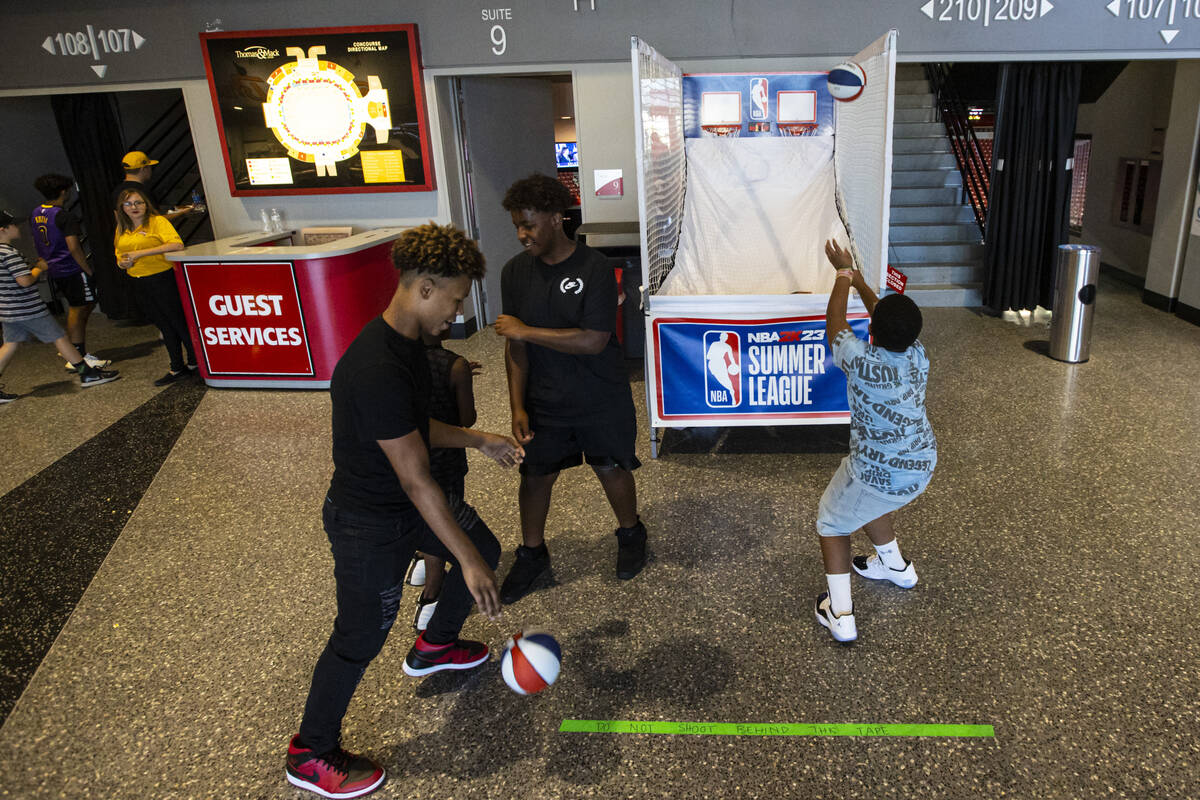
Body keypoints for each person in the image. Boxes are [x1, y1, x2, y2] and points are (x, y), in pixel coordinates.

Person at [286, 222, 523, 800]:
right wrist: (463, 562)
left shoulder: (414, 346)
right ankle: (310, 752)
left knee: (486, 548)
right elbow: (417, 480)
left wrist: (479, 438)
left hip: (405, 503)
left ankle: (435, 645)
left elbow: (417, 431)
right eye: (456, 298)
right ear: (423, 287)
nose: (458, 312)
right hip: (368, 520)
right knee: (360, 636)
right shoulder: (377, 367)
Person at [494, 173, 647, 605]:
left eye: (529, 224)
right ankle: (532, 553)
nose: (523, 235)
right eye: (517, 227)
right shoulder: (514, 273)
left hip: (599, 394)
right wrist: (517, 406)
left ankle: (631, 532)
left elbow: (593, 339)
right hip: (544, 399)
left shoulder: (594, 269)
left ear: (556, 218)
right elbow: (515, 346)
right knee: (536, 476)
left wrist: (527, 329)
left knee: (610, 468)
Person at [813, 239, 937, 643]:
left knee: (832, 522)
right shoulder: (918, 355)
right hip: (920, 466)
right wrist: (862, 280)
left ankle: (841, 615)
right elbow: (883, 316)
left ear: (872, 331)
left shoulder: (860, 360)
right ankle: (897, 569)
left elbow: (834, 326)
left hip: (874, 471)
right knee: (869, 504)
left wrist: (843, 276)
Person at [0, 210, 119, 402]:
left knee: (10, 344)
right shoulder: (9, 253)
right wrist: (40, 268)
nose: (18, 227)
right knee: (60, 337)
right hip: (28, 308)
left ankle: (86, 373)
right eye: (13, 225)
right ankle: (86, 374)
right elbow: (24, 281)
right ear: (3, 230)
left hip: (8, 309)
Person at [408, 331, 482, 632]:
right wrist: (464, 381)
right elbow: (467, 419)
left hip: (413, 459)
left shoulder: (402, 361)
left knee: (425, 522)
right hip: (447, 462)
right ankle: (432, 598)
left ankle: (420, 569)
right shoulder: (455, 365)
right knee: (445, 525)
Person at [113, 187, 196, 386]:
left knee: (178, 322)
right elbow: (118, 252)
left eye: (138, 202)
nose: (134, 207)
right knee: (163, 325)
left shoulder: (158, 222)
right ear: (122, 208)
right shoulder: (121, 227)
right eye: (128, 203)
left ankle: (196, 362)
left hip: (162, 278)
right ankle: (177, 366)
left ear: (146, 204)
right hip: (138, 281)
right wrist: (122, 262)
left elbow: (176, 245)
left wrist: (141, 253)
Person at [30, 174, 111, 371]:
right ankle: (76, 354)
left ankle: (74, 349)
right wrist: (87, 270)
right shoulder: (64, 216)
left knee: (82, 305)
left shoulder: (36, 212)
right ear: (63, 192)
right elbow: (74, 247)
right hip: (71, 268)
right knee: (78, 307)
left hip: (54, 268)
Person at [111, 151, 194, 225]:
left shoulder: (117, 192)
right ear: (143, 169)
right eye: (150, 166)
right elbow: (155, 222)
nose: (151, 170)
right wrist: (181, 213)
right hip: (147, 240)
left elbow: (119, 221)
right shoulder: (142, 192)